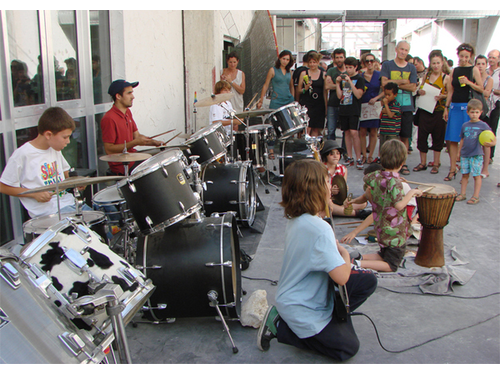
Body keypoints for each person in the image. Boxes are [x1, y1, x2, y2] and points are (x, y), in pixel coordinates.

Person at [257, 159, 377, 362]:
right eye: (326, 182)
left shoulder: (299, 220)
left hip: (303, 294)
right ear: (314, 190)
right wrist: (346, 255)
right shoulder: (318, 229)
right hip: (301, 306)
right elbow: (341, 277)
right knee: (347, 348)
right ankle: (281, 327)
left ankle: (330, 321)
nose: (331, 187)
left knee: (368, 281)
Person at [0, 107, 83, 219]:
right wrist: (34, 194)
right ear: (48, 134)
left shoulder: (54, 149)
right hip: (47, 212)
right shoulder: (23, 154)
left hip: (69, 203)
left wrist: (77, 182)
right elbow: (3, 187)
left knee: (99, 222)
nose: (68, 141)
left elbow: (65, 174)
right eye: (65, 137)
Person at [354, 140, 423, 272]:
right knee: (391, 265)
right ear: (402, 163)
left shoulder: (376, 175)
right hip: (394, 232)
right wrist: (413, 192)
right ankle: (358, 264)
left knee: (383, 255)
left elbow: (367, 178)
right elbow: (399, 205)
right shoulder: (394, 183)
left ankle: (359, 257)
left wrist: (395, 177)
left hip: (382, 228)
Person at [101, 80, 162, 176]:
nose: (133, 97)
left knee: (161, 159)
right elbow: (109, 149)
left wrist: (153, 142)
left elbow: (136, 136)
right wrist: (135, 143)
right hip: (122, 165)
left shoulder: (127, 112)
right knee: (155, 171)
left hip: (133, 157)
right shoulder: (109, 118)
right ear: (118, 96)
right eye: (129, 93)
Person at [443, 43, 484, 182]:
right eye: (462, 56)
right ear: (458, 56)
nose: (464, 59)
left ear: (470, 56)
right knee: (452, 139)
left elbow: (481, 89)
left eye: (467, 56)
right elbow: (450, 91)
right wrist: (446, 107)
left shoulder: (474, 70)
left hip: (468, 107)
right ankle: (452, 168)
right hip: (454, 106)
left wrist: (469, 82)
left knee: (467, 139)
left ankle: (466, 172)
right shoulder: (454, 71)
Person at [380, 41, 418, 176]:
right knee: (389, 135)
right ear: (396, 49)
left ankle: (403, 162)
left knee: (405, 136)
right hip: (390, 106)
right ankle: (388, 162)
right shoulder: (387, 65)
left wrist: (394, 84)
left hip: (407, 106)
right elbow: (384, 83)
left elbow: (413, 87)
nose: (403, 52)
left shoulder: (412, 68)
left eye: (406, 50)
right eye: (401, 49)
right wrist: (402, 82)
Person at [413, 50, 449, 175]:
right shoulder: (426, 76)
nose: (436, 65)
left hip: (438, 111)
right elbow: (419, 89)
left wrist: (442, 97)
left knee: (438, 137)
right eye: (433, 63)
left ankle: (436, 163)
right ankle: (423, 162)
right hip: (425, 109)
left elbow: (449, 94)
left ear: (442, 63)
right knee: (422, 136)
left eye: (438, 63)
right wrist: (420, 91)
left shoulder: (446, 78)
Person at [455, 99, 496, 205]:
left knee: (476, 175)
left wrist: (492, 143)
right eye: (472, 112)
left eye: (477, 112)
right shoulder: (465, 125)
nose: (474, 114)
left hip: (476, 154)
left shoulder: (483, 125)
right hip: (465, 154)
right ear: (467, 112)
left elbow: (492, 136)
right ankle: (462, 193)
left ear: (481, 113)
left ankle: (475, 196)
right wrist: (459, 152)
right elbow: (462, 139)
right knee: (464, 174)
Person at [320, 140, 368, 218]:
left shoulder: (343, 169)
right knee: (329, 205)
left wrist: (343, 189)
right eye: (332, 154)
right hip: (325, 199)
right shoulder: (321, 169)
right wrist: (330, 191)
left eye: (337, 153)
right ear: (326, 156)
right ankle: (355, 213)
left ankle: (341, 210)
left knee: (363, 203)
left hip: (338, 200)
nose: (335, 156)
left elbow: (343, 190)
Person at [336, 57, 366, 170]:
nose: (348, 70)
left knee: (354, 133)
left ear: (355, 67)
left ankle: (358, 157)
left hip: (354, 109)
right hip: (344, 108)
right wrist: (338, 83)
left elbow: (358, 94)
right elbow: (339, 96)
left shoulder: (359, 79)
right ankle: (349, 156)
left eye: (350, 67)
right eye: (346, 67)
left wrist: (349, 82)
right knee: (346, 133)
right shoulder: (343, 78)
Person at [360, 53, 383, 164]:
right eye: (367, 61)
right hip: (363, 104)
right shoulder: (361, 76)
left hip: (374, 105)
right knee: (363, 131)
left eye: (371, 61)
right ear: (364, 63)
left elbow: (384, 90)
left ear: (375, 62)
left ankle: (371, 155)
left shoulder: (379, 75)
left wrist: (377, 98)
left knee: (374, 131)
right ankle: (363, 154)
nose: (369, 63)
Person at [298, 52, 327, 137]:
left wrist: (326, 106)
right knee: (307, 127)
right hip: (307, 103)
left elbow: (325, 91)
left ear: (318, 62)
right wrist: (305, 89)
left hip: (319, 103)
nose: (312, 64)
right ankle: (305, 146)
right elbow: (298, 90)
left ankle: (314, 147)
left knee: (316, 128)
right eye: (310, 62)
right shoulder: (304, 73)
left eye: (314, 62)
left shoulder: (323, 74)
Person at [475, 55, 494, 178]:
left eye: (483, 64)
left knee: (485, 141)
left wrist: (475, 86)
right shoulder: (473, 78)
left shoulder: (489, 79)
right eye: (478, 63)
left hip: (485, 112)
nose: (480, 66)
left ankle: (485, 168)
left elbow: (486, 93)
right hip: (473, 112)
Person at [325, 48, 347, 141]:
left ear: (344, 58)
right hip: (333, 103)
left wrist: (334, 85)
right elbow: (327, 86)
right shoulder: (331, 70)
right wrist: (342, 85)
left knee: (346, 130)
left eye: (341, 57)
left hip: (346, 103)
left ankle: (345, 153)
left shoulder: (348, 70)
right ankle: (331, 151)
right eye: (337, 57)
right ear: (334, 59)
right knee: (330, 130)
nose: (339, 60)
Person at [487, 50, 500, 163]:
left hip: (495, 103)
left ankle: (490, 155)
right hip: (484, 102)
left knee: (492, 128)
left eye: (494, 58)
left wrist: (491, 90)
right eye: (490, 57)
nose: (491, 60)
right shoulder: (486, 71)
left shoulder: (499, 72)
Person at [379, 83, 402, 148]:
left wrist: (386, 105)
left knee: (391, 150)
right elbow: (381, 111)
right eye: (385, 94)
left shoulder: (396, 104)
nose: (386, 97)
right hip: (383, 130)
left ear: (395, 95)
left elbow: (390, 115)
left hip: (392, 132)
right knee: (383, 149)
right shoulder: (384, 104)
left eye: (389, 95)